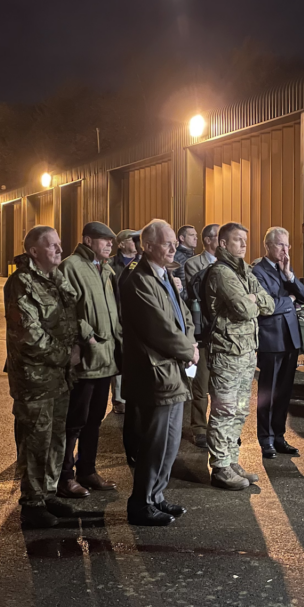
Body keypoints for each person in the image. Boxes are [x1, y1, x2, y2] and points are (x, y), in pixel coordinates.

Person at [120, 220, 199, 526]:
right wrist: (187, 349)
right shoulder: (138, 279)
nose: (173, 246)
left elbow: (183, 317)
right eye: (166, 243)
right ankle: (141, 502)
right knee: (154, 443)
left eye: (173, 242)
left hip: (173, 369)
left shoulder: (165, 275)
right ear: (148, 246)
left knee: (170, 442)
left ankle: (157, 497)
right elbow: (159, 328)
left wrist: (190, 342)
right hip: (156, 372)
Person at [5, 225, 82, 529]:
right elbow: (29, 333)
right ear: (34, 251)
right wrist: (67, 354)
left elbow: (70, 317)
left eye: (59, 245)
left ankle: (48, 493)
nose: (59, 251)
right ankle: (32, 503)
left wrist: (75, 348)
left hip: (60, 376)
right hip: (34, 378)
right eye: (52, 246)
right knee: (35, 440)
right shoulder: (21, 283)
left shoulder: (56, 279)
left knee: (55, 438)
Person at [204, 222, 275, 490]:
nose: (244, 245)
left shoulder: (243, 271)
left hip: (245, 353)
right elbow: (245, 309)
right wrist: (253, 299)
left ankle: (231, 459)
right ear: (223, 244)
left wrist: (253, 298)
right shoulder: (222, 272)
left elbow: (269, 303)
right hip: (226, 352)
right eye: (237, 240)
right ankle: (220, 467)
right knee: (224, 410)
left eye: (245, 240)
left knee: (240, 410)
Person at [57, 221, 122, 498]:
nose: (110, 244)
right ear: (87, 240)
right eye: (104, 240)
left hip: (106, 359)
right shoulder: (71, 266)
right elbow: (66, 308)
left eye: (111, 241)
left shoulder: (105, 269)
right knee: (75, 421)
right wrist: (88, 336)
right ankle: (65, 476)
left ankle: (88, 470)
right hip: (86, 357)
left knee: (95, 418)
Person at [252, 226, 304, 458]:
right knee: (268, 392)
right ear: (267, 246)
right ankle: (265, 439)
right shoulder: (258, 271)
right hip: (270, 340)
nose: (285, 250)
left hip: (290, 340)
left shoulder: (285, 268)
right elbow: (267, 308)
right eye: (280, 245)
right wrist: (290, 299)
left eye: (287, 245)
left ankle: (278, 436)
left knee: (284, 393)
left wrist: (290, 277)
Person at [182, 223, 219, 448]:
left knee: (221, 385)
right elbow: (196, 292)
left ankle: (219, 427)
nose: (221, 241)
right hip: (203, 330)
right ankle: (198, 428)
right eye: (217, 237)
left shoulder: (230, 264)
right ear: (207, 240)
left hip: (222, 334)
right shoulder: (192, 264)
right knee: (201, 384)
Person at [110, 229, 139, 414]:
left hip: (136, 318)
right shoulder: (112, 264)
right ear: (121, 244)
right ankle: (119, 399)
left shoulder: (142, 261)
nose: (136, 242)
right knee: (119, 356)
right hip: (118, 317)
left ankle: (135, 394)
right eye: (131, 239)